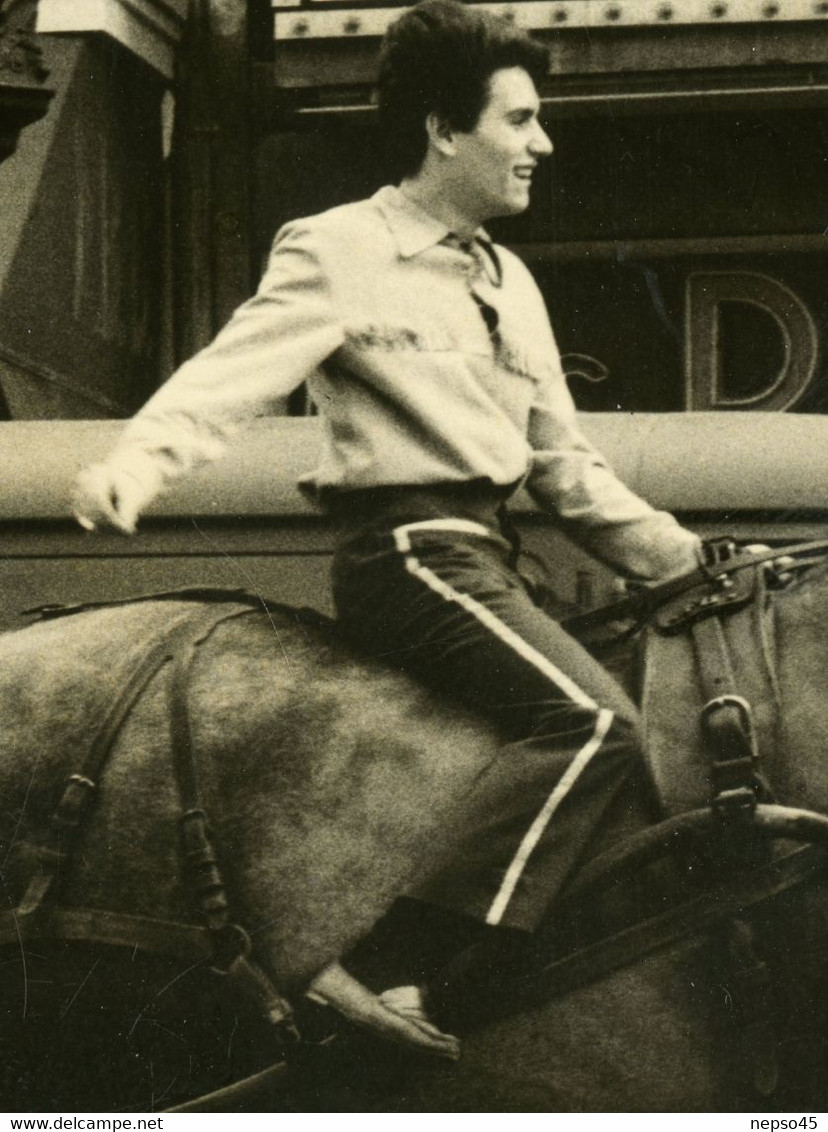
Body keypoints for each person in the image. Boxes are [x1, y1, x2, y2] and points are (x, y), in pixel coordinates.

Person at [72, 0, 702, 1059]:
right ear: (442, 129)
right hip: (410, 554)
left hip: (493, 558)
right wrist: (132, 467)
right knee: (597, 726)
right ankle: (376, 968)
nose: (541, 144)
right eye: (519, 120)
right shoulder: (339, 247)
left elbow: (565, 468)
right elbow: (226, 380)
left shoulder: (512, 281)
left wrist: (688, 558)